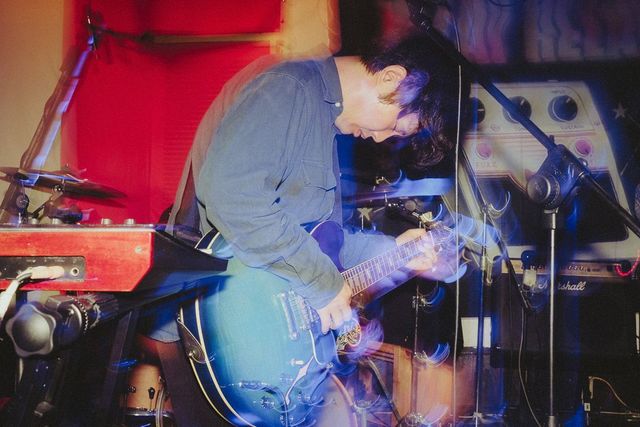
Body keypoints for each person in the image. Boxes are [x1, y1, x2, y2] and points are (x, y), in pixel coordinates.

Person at [147, 34, 469, 425]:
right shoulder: (289, 88)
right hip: (218, 332)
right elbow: (234, 197)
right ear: (392, 79)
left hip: (261, 338)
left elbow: (323, 242)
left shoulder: (327, 123)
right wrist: (321, 283)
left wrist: (398, 250)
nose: (385, 139)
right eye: (399, 129)